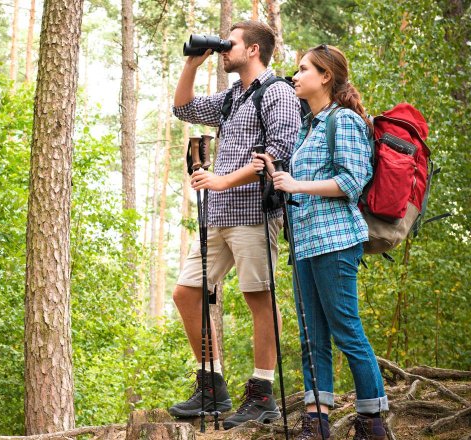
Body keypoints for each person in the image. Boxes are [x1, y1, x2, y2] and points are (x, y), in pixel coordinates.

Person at [169, 20, 301, 429]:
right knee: (185, 293)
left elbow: (279, 151)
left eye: (232, 43)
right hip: (219, 217)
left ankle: (262, 393)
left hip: (255, 216)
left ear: (254, 50)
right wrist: (193, 63)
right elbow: (183, 108)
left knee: (257, 298)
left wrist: (222, 180)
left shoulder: (278, 92)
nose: (225, 49)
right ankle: (211, 385)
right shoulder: (231, 97)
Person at [253, 44, 388, 440]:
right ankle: (317, 421)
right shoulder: (308, 126)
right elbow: (301, 187)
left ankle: (372, 421)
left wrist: (297, 183)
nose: (295, 76)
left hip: (336, 241)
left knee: (346, 328)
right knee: (311, 334)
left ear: (325, 76)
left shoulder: (343, 120)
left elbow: (351, 181)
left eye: (303, 69)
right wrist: (277, 173)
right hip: (306, 245)